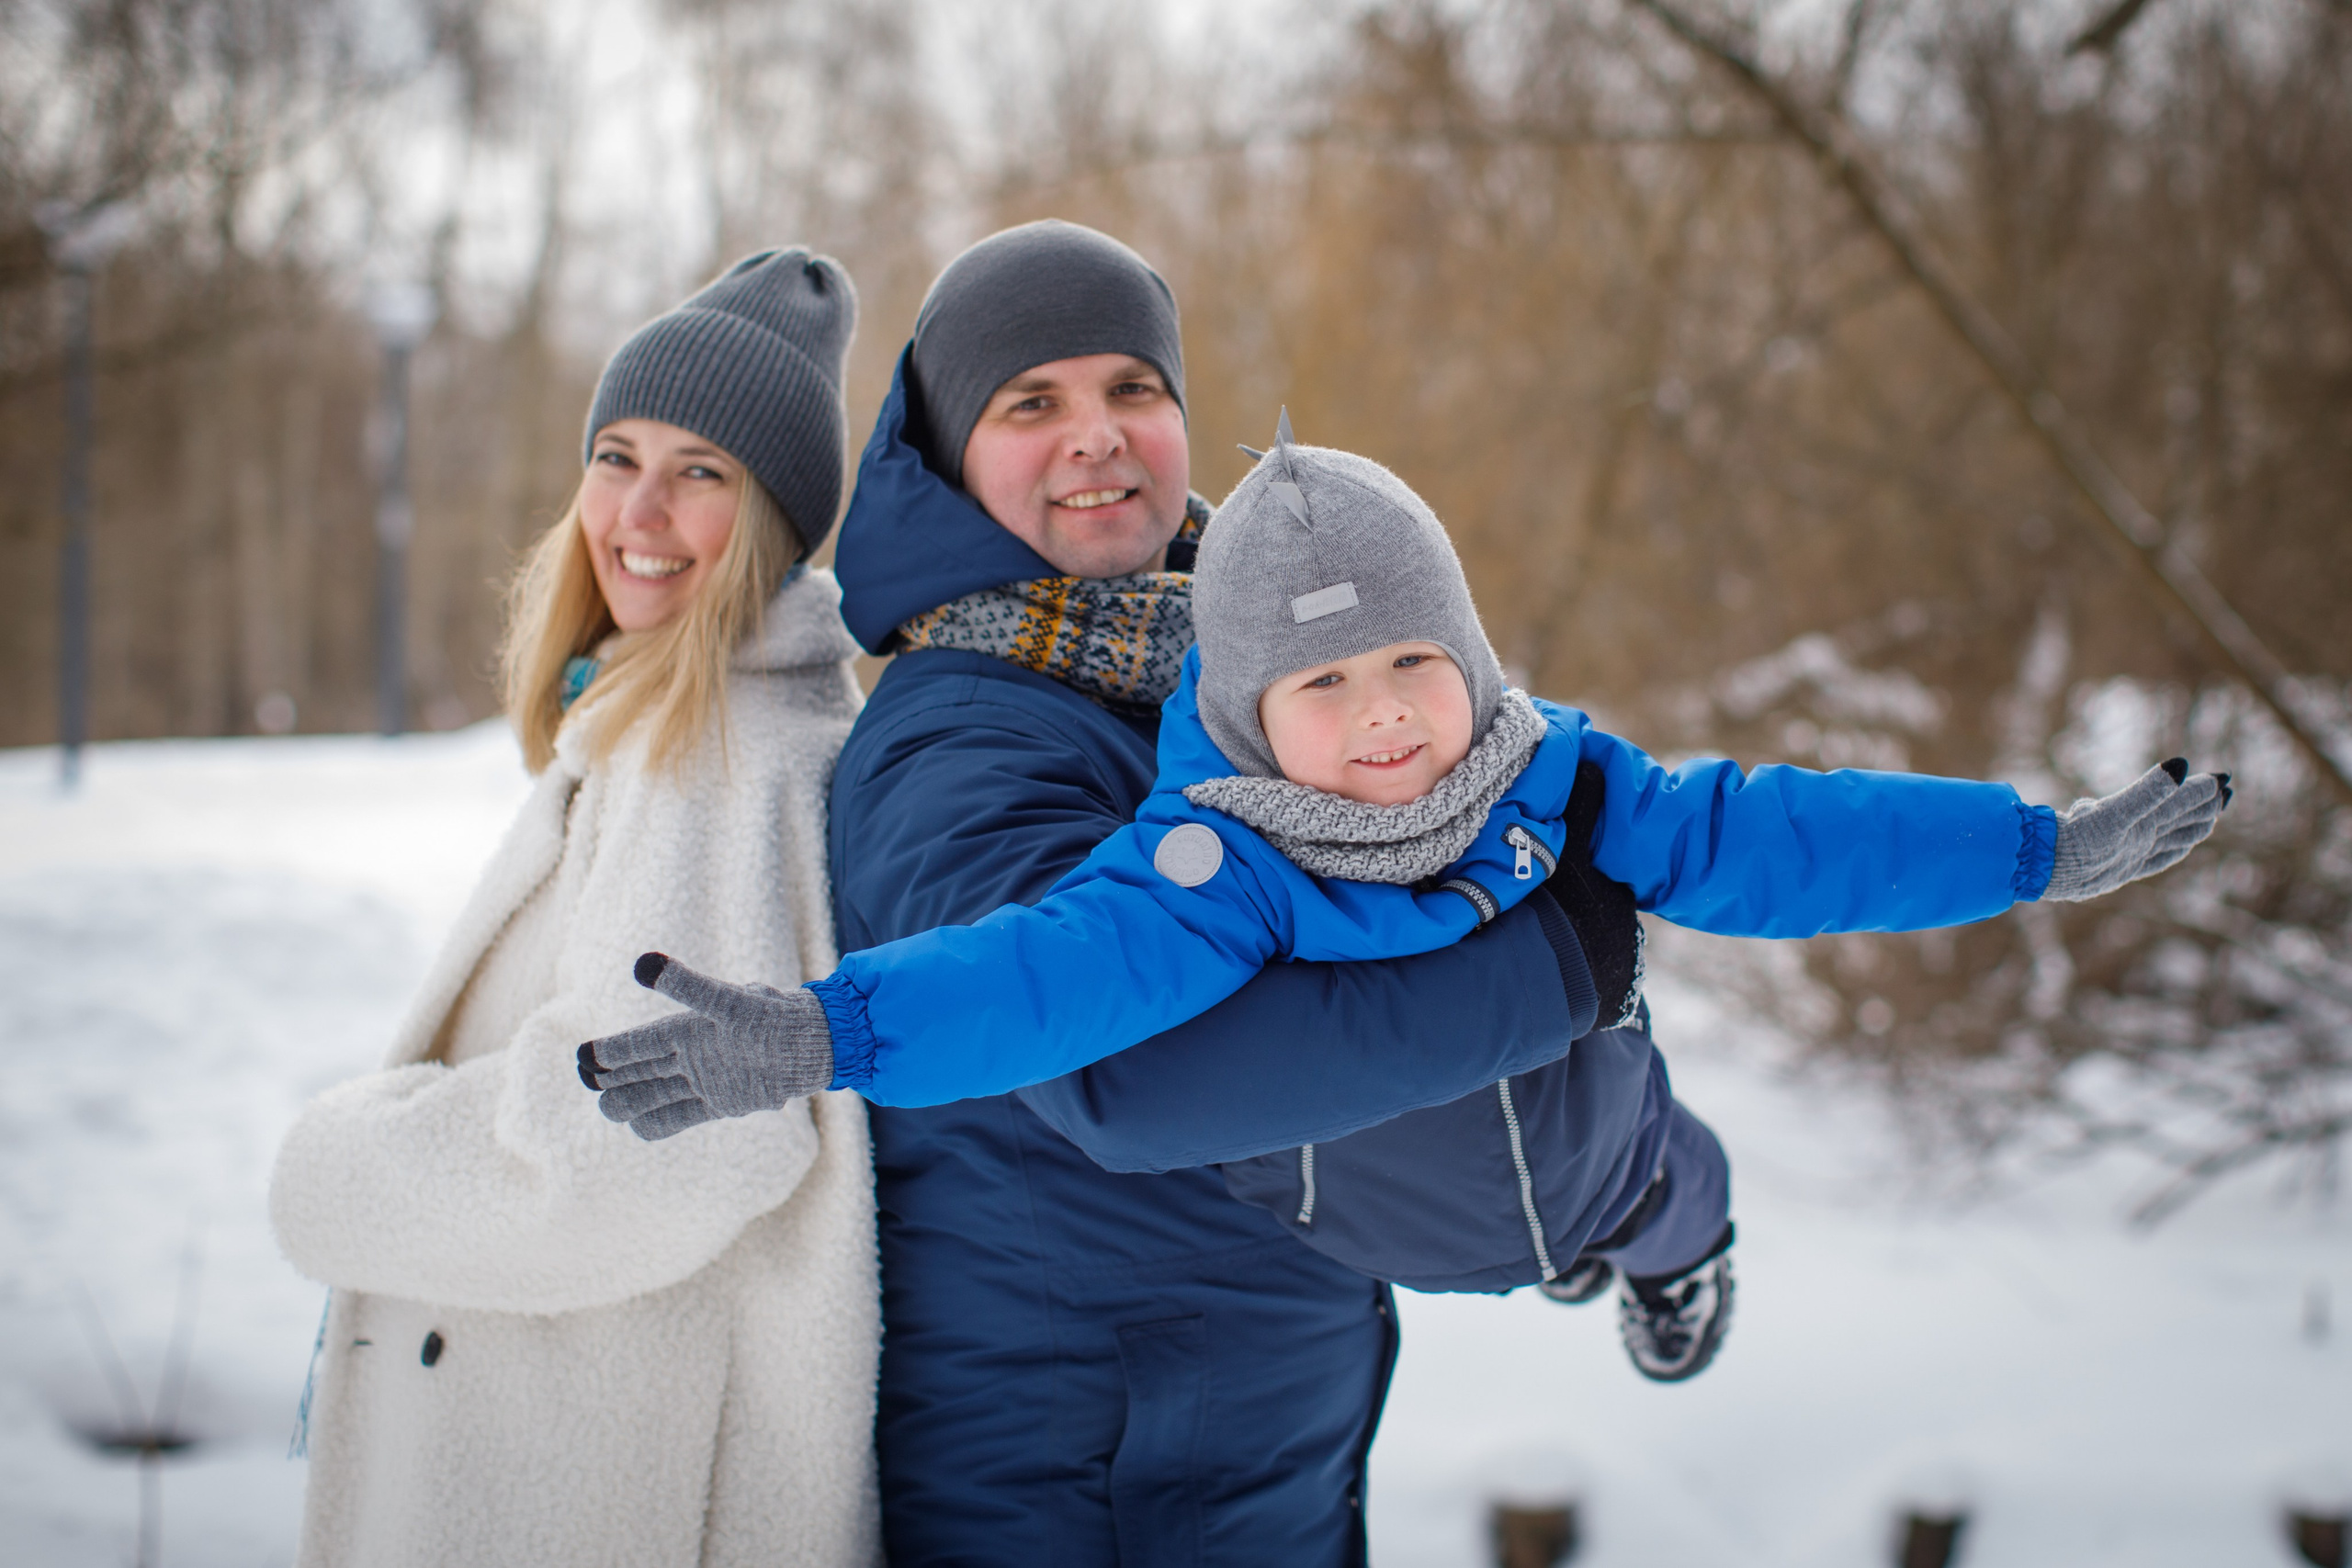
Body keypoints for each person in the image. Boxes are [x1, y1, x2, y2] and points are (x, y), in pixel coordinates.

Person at [585, 415, 2227, 1381]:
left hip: (1608, 1152)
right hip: (1370, 1221)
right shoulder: (1218, 866)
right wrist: (829, 1032)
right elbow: (1041, 978)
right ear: (1240, 712)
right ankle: (1584, 1259)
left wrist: (2030, 848)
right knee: (1464, 1228)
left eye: (1410, 663)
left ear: (1473, 656)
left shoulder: (1562, 785)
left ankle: (1672, 1262)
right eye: (1320, 684)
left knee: (1666, 1189)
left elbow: (1782, 835)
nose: (1381, 716)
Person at [266, 250, 879, 1567]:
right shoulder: (671, 723)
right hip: (581, 1433)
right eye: (617, 453)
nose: (639, 510)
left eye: (703, 472)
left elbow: (658, 1145)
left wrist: (340, 1172)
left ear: (773, 520)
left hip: (597, 1478)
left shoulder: (712, 759)